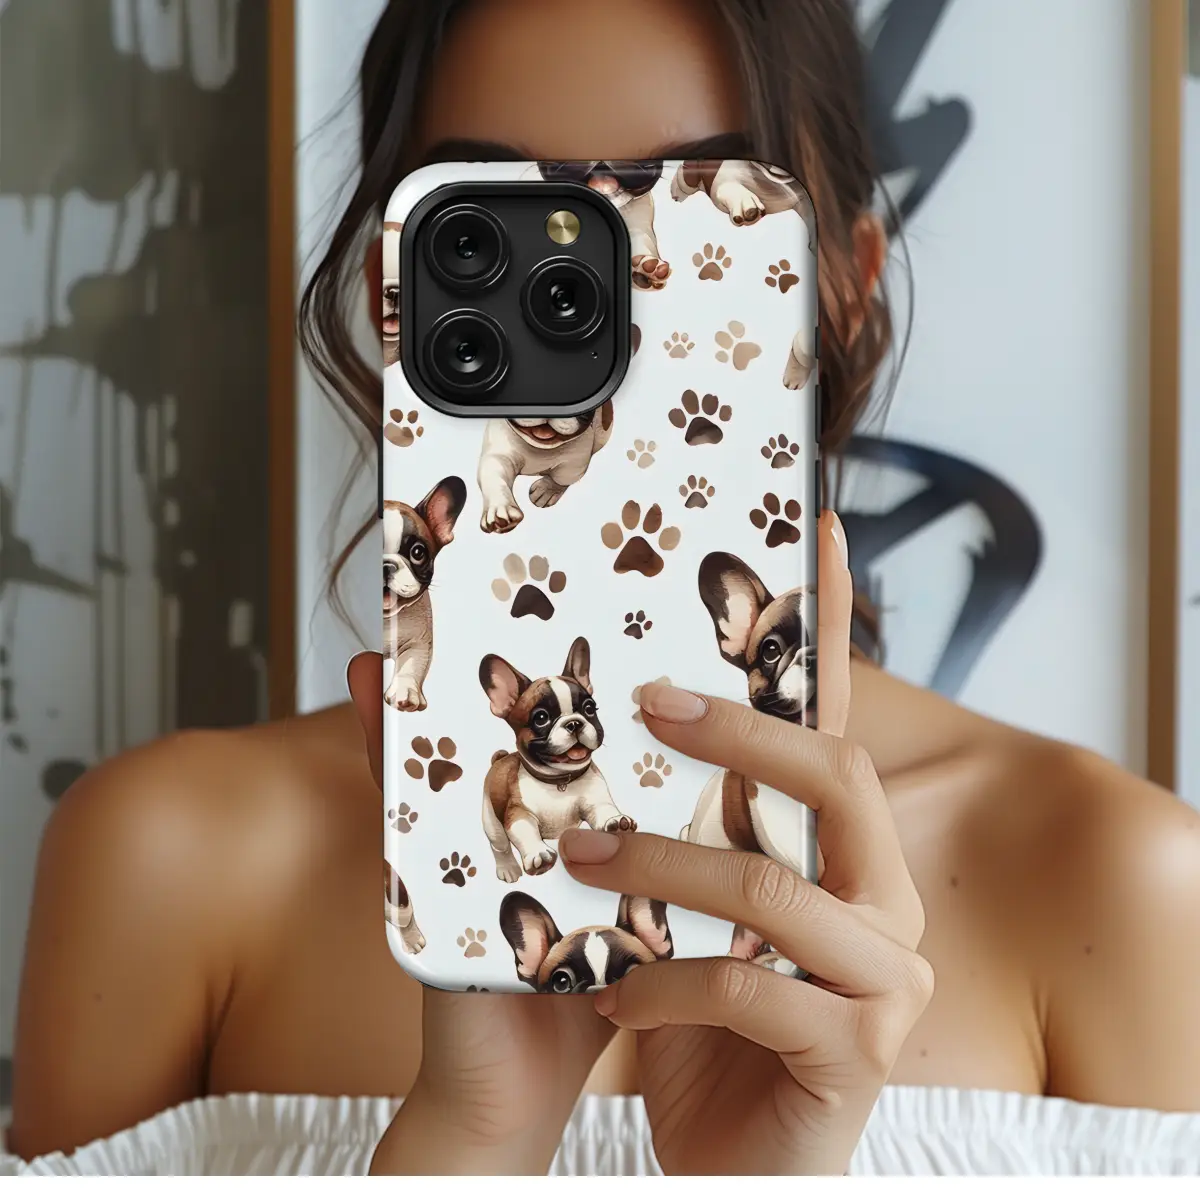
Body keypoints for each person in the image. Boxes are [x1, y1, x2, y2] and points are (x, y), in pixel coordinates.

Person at [8, 0, 1200, 1177]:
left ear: (845, 285)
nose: (601, 297)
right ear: (393, 292)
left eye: (701, 207)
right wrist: (474, 1140)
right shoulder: (170, 864)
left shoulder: (1116, 884)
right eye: (490, 225)